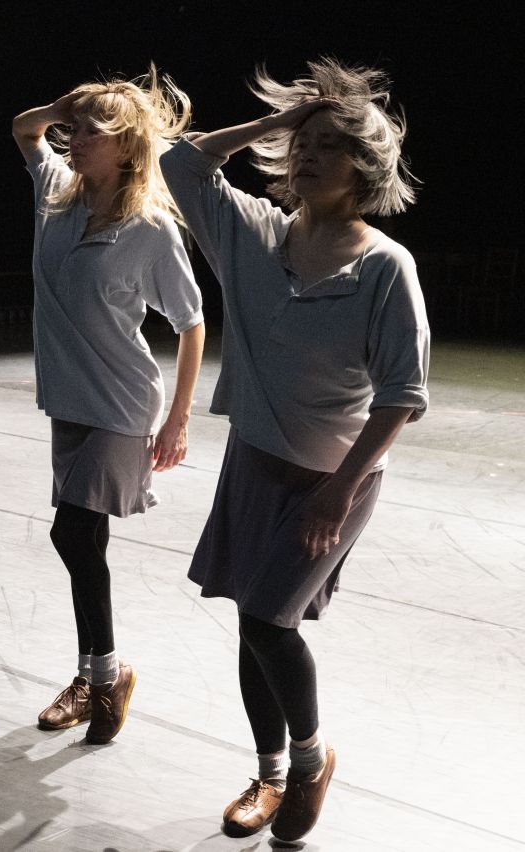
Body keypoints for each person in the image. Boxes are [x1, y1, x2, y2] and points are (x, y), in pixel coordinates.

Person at [160, 58, 428, 841]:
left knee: (269, 622)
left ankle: (310, 763)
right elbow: (181, 161)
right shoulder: (252, 233)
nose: (309, 156)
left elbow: (402, 394)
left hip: (334, 481)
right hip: (253, 460)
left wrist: (338, 490)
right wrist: (280, 122)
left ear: (364, 167)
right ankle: (270, 773)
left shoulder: (385, 268)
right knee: (254, 620)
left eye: (329, 146)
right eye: (301, 146)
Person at [11, 68, 205, 744]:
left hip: (122, 403)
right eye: (76, 127)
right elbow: (25, 131)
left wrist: (178, 418)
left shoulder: (149, 229)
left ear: (126, 148)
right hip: (68, 400)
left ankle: (105, 674)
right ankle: (95, 674)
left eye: (94, 130)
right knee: (85, 540)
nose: (76, 137)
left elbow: (191, 323)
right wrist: (60, 105)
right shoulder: (55, 196)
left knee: (71, 533)